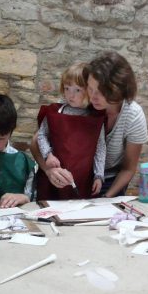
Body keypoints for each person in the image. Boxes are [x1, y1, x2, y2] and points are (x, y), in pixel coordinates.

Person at [32, 52, 148, 198]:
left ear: (119, 91)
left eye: (100, 92)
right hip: (68, 178)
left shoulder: (133, 115)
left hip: (107, 182)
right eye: (90, 89)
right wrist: (49, 170)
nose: (92, 97)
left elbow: (128, 169)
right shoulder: (75, 103)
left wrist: (105, 198)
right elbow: (36, 142)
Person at [34, 63, 106, 200]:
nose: (70, 95)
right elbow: (42, 135)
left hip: (83, 178)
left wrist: (99, 175)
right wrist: (48, 155)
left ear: (89, 91)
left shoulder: (95, 118)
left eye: (77, 90)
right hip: (55, 176)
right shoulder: (55, 112)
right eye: (67, 88)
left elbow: (100, 148)